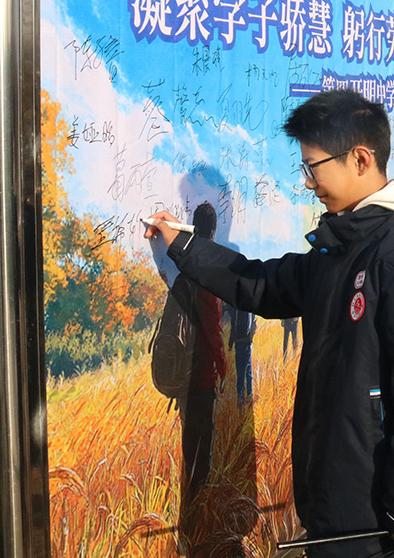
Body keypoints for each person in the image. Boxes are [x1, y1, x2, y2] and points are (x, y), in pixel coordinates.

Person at [146, 89, 394, 558]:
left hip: (380, 521)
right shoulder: (338, 250)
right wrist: (184, 246)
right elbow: (259, 283)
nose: (309, 181)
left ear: (360, 159)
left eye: (313, 167)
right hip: (338, 504)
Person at [177, 203, 227, 552]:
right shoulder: (207, 271)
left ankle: (186, 520)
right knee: (202, 452)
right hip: (203, 377)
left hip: (183, 375)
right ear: (214, 228)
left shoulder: (182, 269)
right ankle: (197, 523)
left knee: (187, 448)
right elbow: (212, 328)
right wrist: (223, 364)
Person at [227, 305, 255, 406]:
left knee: (240, 370)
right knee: (248, 369)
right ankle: (250, 394)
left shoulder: (237, 306)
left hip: (239, 342)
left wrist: (230, 344)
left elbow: (233, 325)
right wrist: (251, 337)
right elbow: (254, 323)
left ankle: (240, 398)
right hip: (248, 342)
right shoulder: (251, 306)